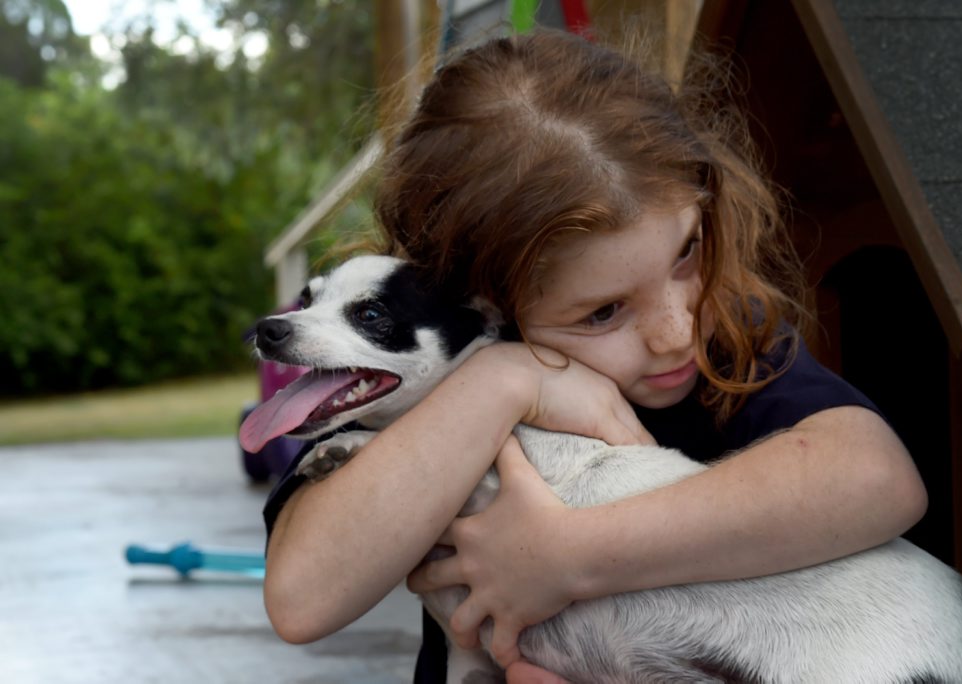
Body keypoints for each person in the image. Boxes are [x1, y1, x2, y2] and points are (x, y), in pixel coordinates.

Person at [261, 29, 927, 683]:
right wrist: (502, 380)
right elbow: (302, 599)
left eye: (688, 252)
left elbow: (881, 481)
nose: (674, 331)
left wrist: (568, 555)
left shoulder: (724, 336)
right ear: (487, 308)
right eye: (603, 311)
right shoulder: (418, 376)